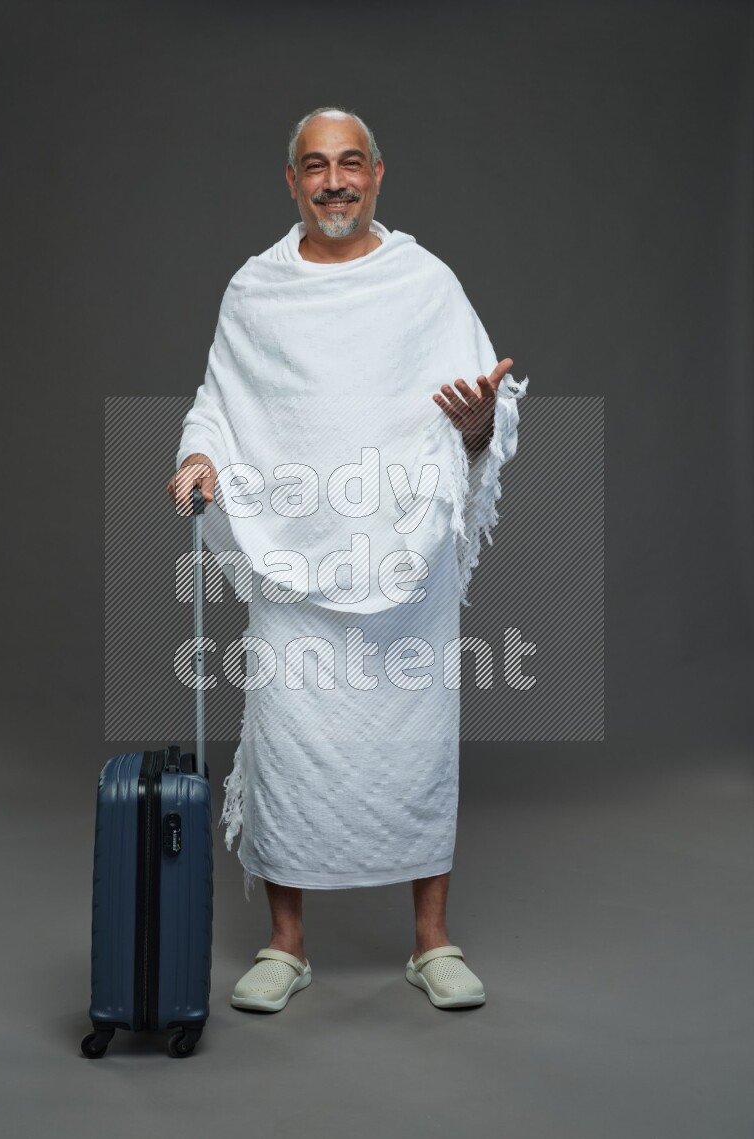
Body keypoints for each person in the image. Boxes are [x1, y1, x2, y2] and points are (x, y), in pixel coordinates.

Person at [167, 105, 528, 1013]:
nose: (335, 180)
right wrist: (199, 455)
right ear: (291, 181)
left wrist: (481, 427)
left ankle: (431, 940)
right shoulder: (256, 290)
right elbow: (218, 398)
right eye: (316, 165)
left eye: (352, 163)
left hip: (405, 555)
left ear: (377, 174)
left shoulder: (426, 283)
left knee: (414, 742)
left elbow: (488, 404)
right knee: (291, 742)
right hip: (294, 556)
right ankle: (286, 943)